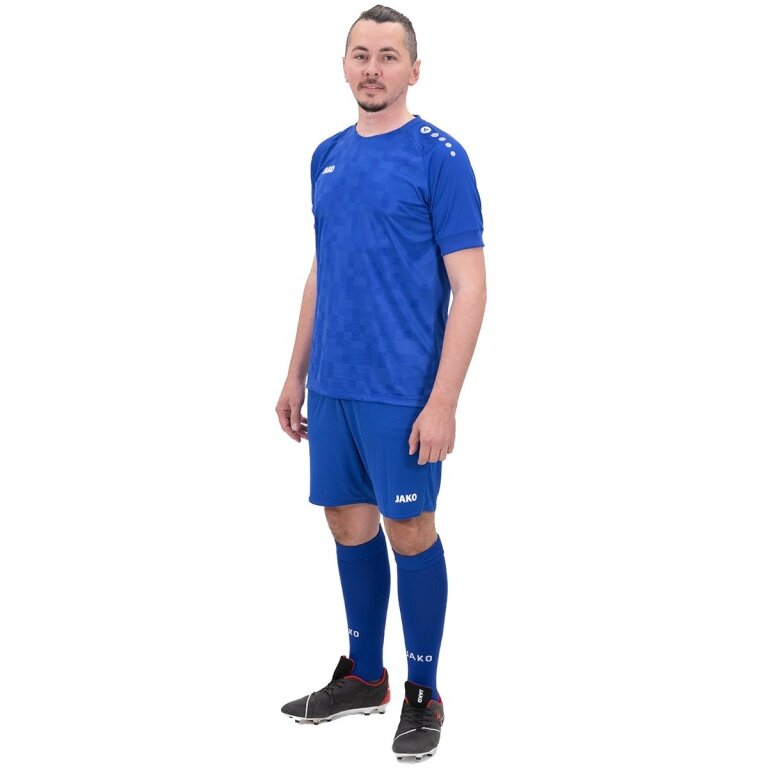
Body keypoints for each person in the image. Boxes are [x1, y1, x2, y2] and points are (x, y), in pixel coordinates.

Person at [275, 4, 486, 760]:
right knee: (345, 521)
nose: (373, 68)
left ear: (414, 70)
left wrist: (444, 401)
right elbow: (323, 269)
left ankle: (424, 690)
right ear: (344, 65)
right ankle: (366, 677)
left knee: (410, 529)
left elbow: (471, 287)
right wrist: (295, 373)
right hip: (333, 385)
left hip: (403, 390)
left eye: (388, 56)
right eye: (360, 54)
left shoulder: (440, 157)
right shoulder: (326, 155)